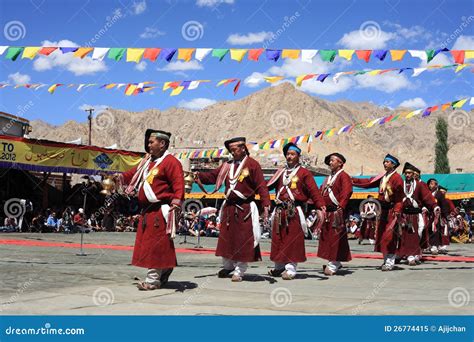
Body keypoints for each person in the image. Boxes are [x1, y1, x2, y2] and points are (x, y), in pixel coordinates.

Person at [194, 137, 271, 282]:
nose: (232, 152)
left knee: (243, 239)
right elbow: (212, 177)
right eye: (230, 150)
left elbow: (261, 185)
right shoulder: (226, 166)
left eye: (234, 149)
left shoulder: (252, 165)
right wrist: (197, 176)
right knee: (227, 239)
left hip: (245, 208)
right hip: (229, 207)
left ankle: (239, 270)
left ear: (243, 148)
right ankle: (228, 266)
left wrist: (266, 204)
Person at [118, 129, 184, 290]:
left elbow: (178, 183)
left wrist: (177, 202)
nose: (148, 145)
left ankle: (153, 280)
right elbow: (132, 174)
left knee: (156, 245)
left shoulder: (171, 162)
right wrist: (118, 177)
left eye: (151, 142)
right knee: (154, 245)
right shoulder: (147, 162)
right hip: (147, 211)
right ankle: (166, 268)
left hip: (160, 211)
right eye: (148, 142)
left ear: (162, 144)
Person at [266, 143, 326, 280]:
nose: (289, 156)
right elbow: (266, 186)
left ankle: (291, 269)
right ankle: (279, 267)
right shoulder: (280, 172)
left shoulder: (304, 173)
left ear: (298, 156)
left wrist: (320, 205)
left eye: (292, 154)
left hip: (293, 211)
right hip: (279, 211)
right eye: (287, 154)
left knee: (292, 239)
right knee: (278, 239)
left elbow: (314, 191)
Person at [352, 154, 404, 271]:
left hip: (392, 210)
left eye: (387, 162)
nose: (385, 164)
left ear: (394, 164)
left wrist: (397, 210)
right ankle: (385, 260)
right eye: (384, 162)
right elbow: (368, 182)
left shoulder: (397, 178)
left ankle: (390, 261)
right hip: (382, 210)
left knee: (389, 236)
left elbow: (400, 198)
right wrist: (353, 180)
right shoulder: (382, 177)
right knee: (381, 235)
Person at [318, 153, 353, 276]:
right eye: (330, 161)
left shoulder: (344, 176)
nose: (330, 163)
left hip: (336, 212)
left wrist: (341, 207)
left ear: (340, 163)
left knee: (335, 238)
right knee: (328, 238)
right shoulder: (328, 178)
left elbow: (347, 192)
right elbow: (321, 192)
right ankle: (334, 262)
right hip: (327, 213)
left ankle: (333, 264)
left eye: (333, 160)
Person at [397, 163, 440, 266]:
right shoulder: (400, 184)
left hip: (415, 215)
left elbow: (427, 197)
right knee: (402, 235)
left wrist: (434, 206)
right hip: (403, 215)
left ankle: (414, 254)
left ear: (413, 174)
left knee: (416, 234)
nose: (407, 175)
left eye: (409, 173)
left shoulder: (419, 185)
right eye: (406, 173)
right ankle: (407, 255)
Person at [426, 179, 453, 255]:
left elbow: (444, 205)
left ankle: (434, 246)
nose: (431, 185)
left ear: (436, 185)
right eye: (430, 184)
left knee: (435, 230)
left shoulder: (439, 194)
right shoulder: (427, 193)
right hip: (427, 214)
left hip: (436, 216)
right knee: (426, 230)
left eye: (432, 184)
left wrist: (446, 215)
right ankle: (427, 245)